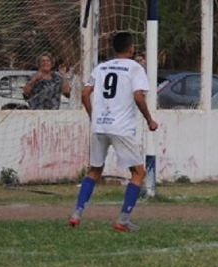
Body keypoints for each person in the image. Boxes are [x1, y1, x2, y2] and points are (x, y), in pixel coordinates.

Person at [68, 32, 159, 232]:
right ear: (131, 48)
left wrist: (93, 116)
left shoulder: (101, 67)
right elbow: (138, 96)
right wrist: (150, 120)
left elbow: (84, 93)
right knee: (138, 172)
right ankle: (123, 220)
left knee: (94, 171)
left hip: (100, 125)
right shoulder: (135, 68)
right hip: (121, 126)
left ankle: (76, 214)